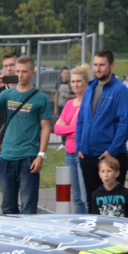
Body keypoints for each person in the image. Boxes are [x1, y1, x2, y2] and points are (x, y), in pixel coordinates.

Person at [0, 55, 53, 215]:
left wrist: (41, 155)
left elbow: (46, 128)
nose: (20, 75)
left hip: (29, 157)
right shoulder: (7, 94)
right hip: (7, 156)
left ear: (33, 74)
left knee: (28, 207)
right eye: (18, 71)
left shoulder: (40, 98)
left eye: (24, 72)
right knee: (8, 207)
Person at [75, 50, 128, 197]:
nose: (98, 69)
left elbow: (125, 124)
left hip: (110, 157)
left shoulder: (120, 91)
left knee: (112, 204)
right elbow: (81, 119)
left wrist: (112, 151)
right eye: (95, 65)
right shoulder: (90, 89)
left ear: (111, 65)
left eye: (102, 65)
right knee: (92, 202)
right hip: (87, 156)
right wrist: (79, 146)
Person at [53, 65, 89, 213]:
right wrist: (73, 128)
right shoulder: (69, 104)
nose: (75, 84)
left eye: (79, 81)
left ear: (86, 82)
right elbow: (57, 129)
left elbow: (86, 128)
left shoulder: (89, 103)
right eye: (73, 81)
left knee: (85, 196)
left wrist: (67, 127)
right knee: (75, 196)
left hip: (83, 153)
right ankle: (80, 225)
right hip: (69, 153)